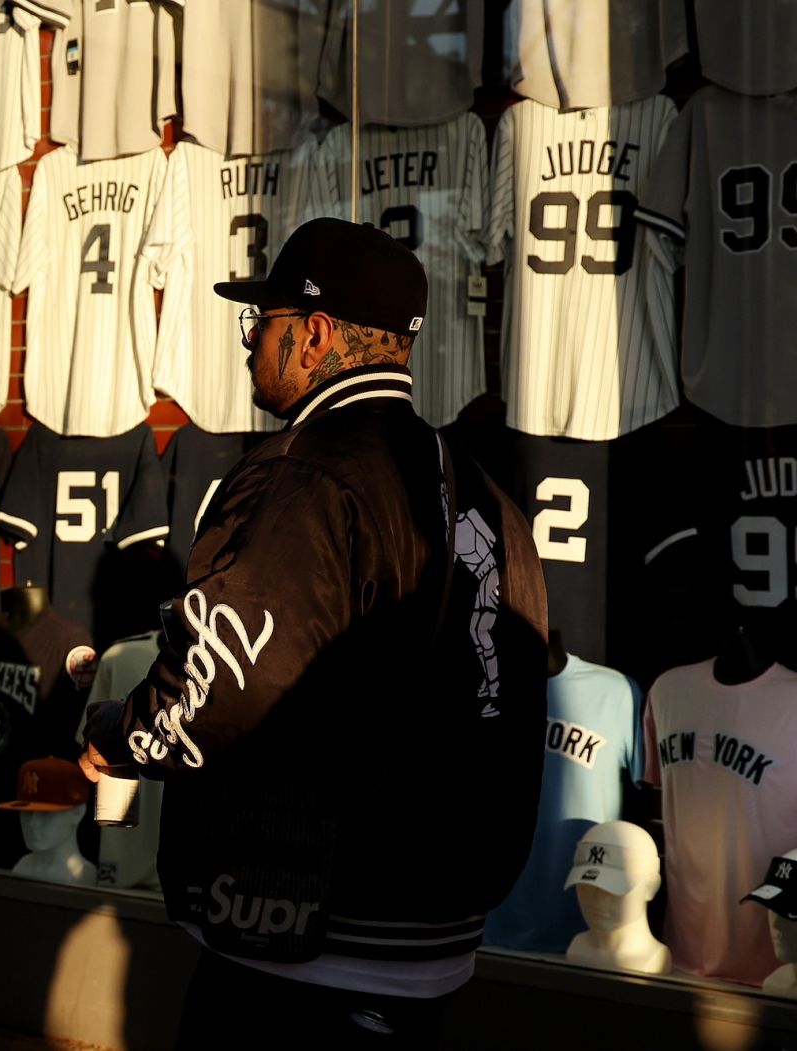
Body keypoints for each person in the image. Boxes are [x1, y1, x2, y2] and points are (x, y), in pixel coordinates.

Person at [79, 218, 548, 1048]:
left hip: (302, 946)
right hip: (438, 943)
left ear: (316, 336)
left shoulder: (303, 473)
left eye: (264, 322)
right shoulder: (488, 494)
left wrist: (118, 732)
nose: (252, 341)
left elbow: (222, 686)